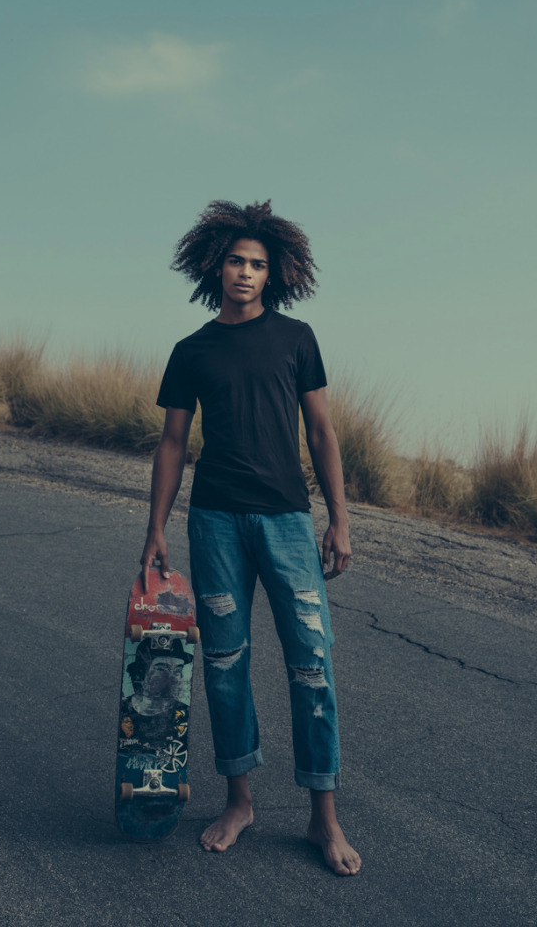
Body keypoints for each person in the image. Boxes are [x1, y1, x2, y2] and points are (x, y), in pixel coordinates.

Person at [140, 200, 361, 876]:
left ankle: (323, 818)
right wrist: (155, 529)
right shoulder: (192, 350)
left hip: (288, 521)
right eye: (236, 260)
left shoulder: (297, 339)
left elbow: (321, 432)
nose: (246, 272)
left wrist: (340, 516)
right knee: (226, 664)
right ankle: (239, 800)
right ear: (216, 265)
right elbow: (173, 442)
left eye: (258, 264)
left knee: (312, 665)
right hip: (214, 523)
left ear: (274, 274)